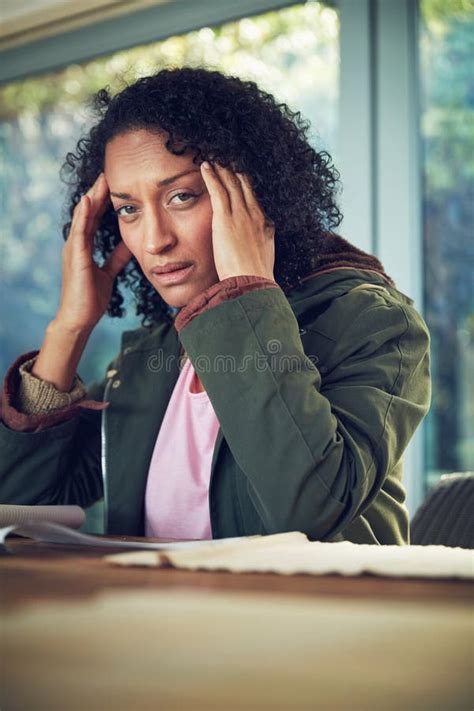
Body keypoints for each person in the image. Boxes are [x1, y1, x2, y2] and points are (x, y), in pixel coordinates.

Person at [0, 67, 431, 544]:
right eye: (129, 209)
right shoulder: (151, 357)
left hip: (312, 617)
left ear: (257, 195)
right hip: (151, 617)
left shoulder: (370, 322)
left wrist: (246, 287)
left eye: (181, 196)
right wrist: (70, 327)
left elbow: (310, 509)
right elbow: (23, 506)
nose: (155, 240)